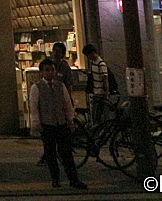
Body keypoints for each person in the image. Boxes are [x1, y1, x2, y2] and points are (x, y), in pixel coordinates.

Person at [29, 58, 86, 190]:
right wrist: (36, 123)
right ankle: (55, 179)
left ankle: (73, 179)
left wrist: (70, 118)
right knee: (50, 153)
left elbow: (67, 104)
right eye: (47, 70)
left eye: (52, 70)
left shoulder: (60, 86)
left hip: (61, 123)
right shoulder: (36, 87)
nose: (50, 72)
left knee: (66, 153)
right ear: (41, 72)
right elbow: (34, 107)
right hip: (47, 124)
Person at [82, 44, 110, 123]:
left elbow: (105, 79)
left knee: (98, 115)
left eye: (87, 55)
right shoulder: (93, 62)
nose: (88, 57)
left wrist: (105, 93)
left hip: (100, 93)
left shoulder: (101, 63)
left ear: (92, 53)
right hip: (96, 92)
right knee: (96, 115)